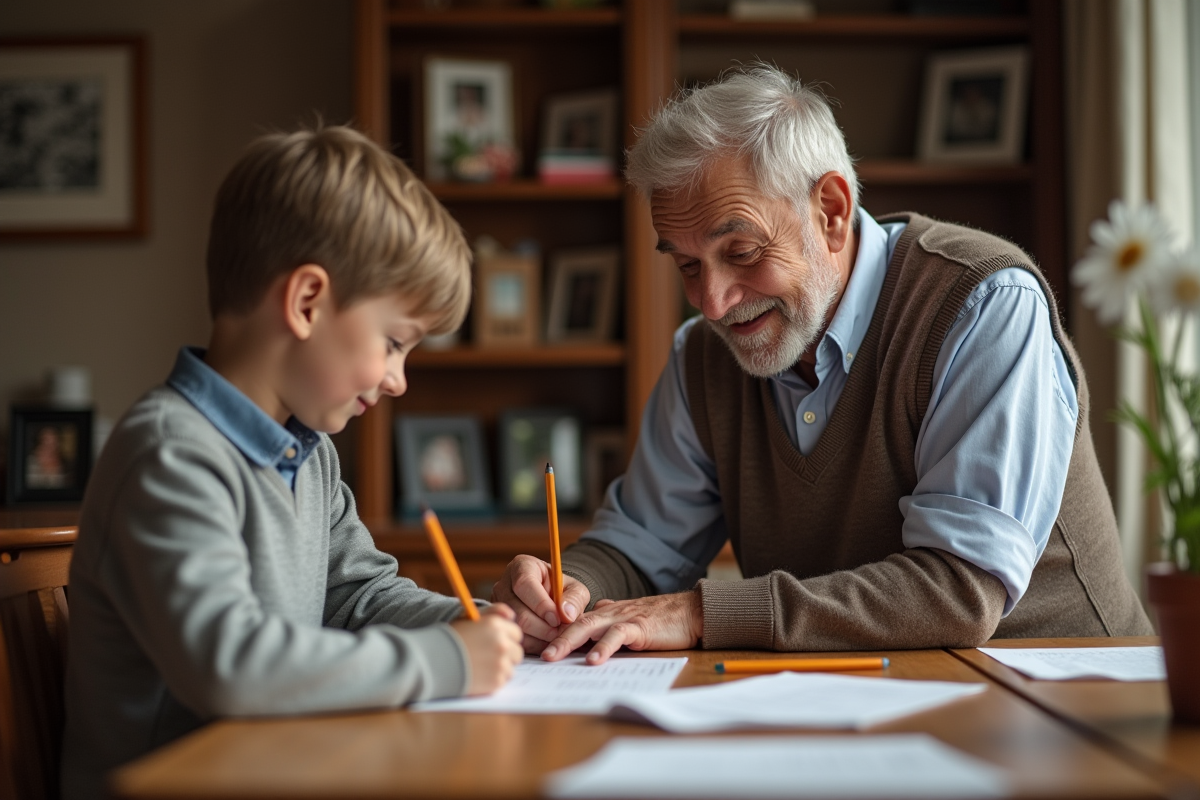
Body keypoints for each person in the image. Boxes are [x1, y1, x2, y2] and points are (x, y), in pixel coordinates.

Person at [493, 64, 1153, 664]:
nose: (713, 303)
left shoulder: (981, 301)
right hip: (853, 692)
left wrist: (700, 612)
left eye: (743, 251)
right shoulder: (703, 355)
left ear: (831, 210)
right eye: (688, 265)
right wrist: (571, 587)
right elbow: (641, 546)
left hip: (1056, 693)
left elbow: (958, 590)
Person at [61, 126, 524, 799]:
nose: (398, 380)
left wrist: (479, 624)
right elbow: (230, 665)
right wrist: (449, 660)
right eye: (393, 343)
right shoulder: (170, 455)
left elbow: (358, 596)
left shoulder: (309, 454)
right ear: (307, 301)